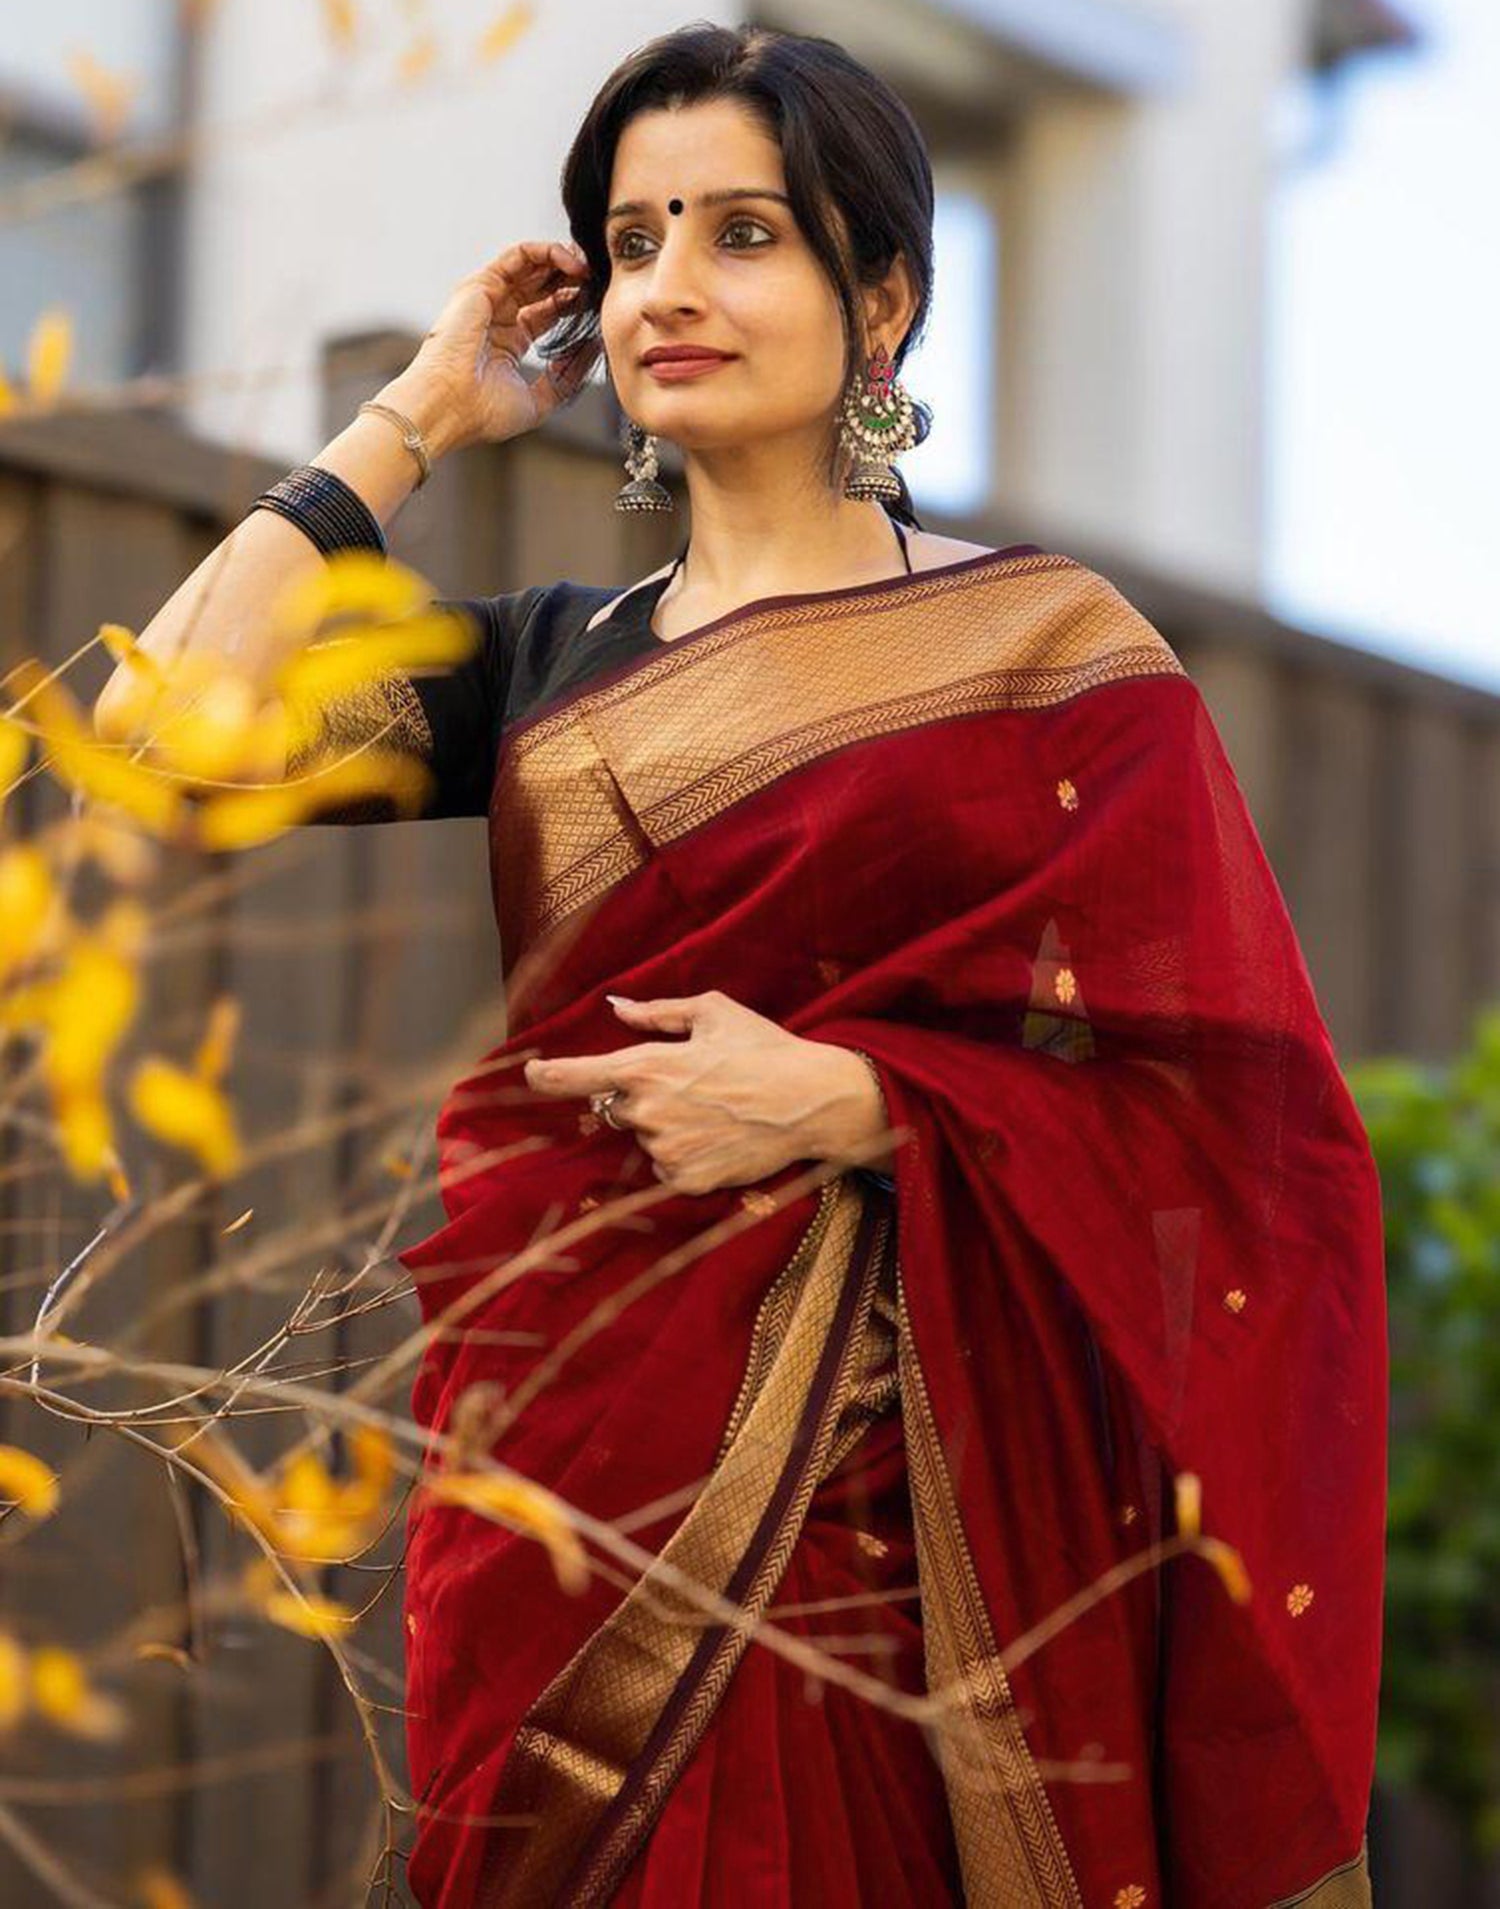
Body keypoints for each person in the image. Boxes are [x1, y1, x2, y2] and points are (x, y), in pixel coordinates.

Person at [96, 24, 1388, 1909]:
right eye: (631, 242)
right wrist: (424, 412)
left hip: (904, 1537)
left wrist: (870, 1102)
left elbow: (1232, 1114)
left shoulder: (1047, 656)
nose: (668, 289)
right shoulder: (549, 665)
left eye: (743, 234)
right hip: (564, 1485)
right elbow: (170, 737)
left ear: (885, 299)